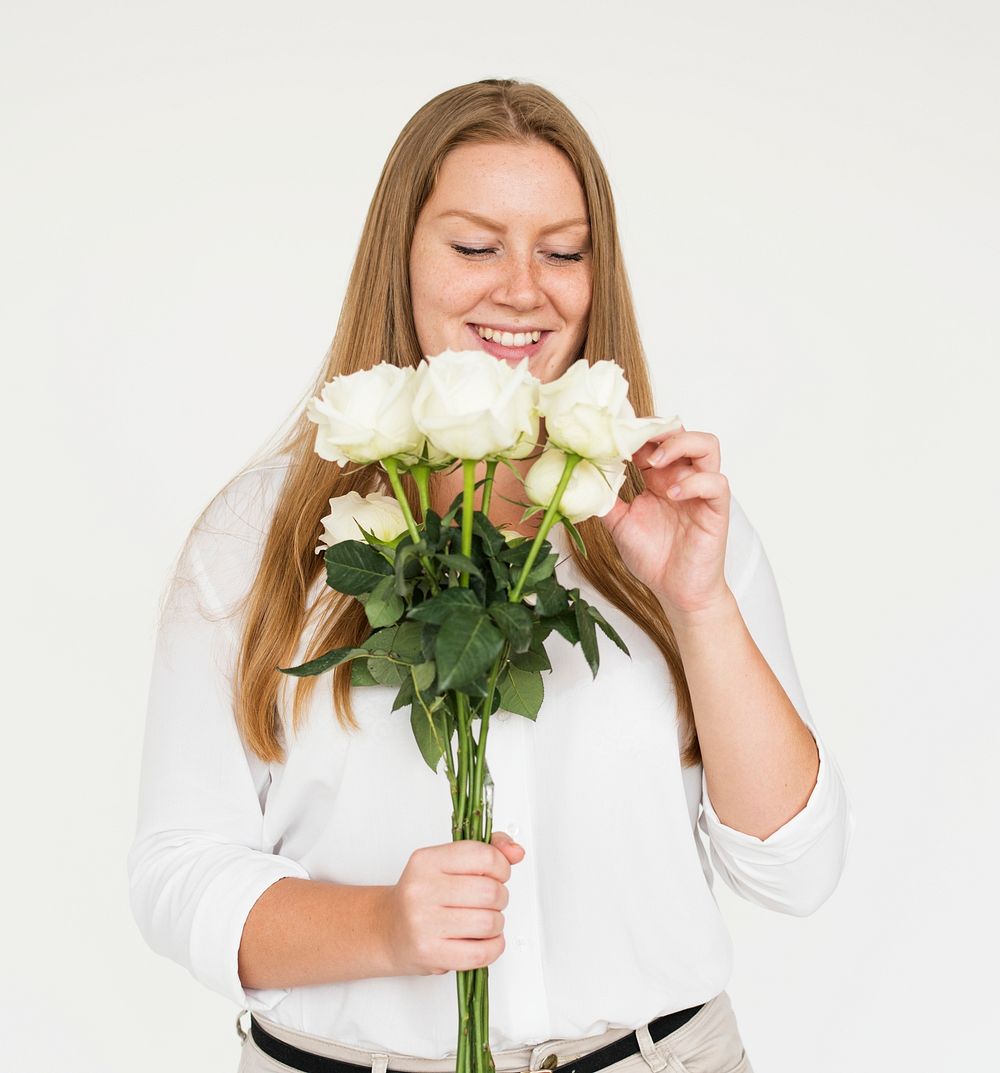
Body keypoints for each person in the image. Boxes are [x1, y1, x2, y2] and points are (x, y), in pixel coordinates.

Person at [128, 78, 855, 1073]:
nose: (523, 287)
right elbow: (177, 872)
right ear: (402, 259)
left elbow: (796, 866)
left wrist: (698, 598)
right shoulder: (260, 537)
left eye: (562, 251)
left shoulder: (672, 521)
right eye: (475, 246)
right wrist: (383, 926)